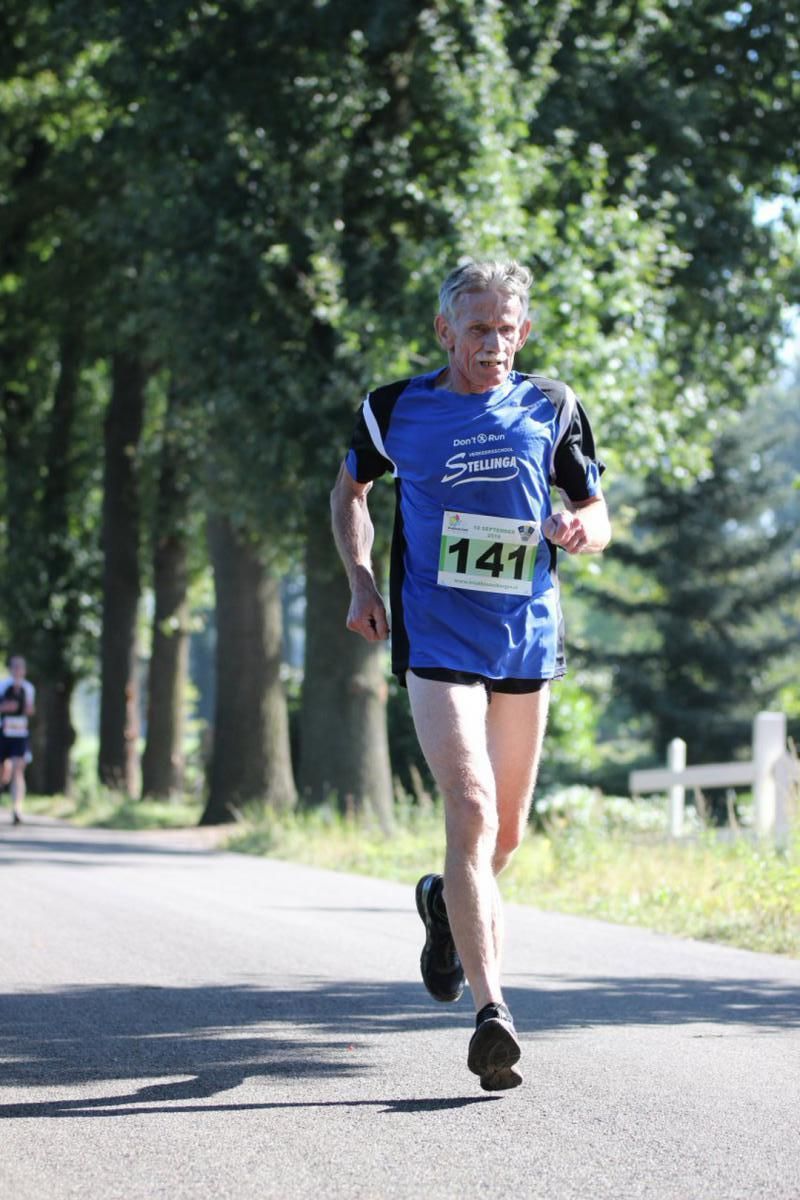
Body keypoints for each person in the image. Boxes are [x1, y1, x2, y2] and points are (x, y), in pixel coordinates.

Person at [331, 260, 610, 1091]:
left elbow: (597, 509)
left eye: (508, 329)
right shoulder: (393, 409)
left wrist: (579, 529)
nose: (494, 344)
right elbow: (349, 491)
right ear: (445, 332)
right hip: (438, 637)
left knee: (505, 838)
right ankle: (493, 1012)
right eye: (478, 329)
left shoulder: (551, 406)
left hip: (524, 638)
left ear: (524, 332)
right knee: (473, 806)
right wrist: (362, 581)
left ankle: (445, 914)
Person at [0, 654, 36, 826]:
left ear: (24, 670)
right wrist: (6, 707)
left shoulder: (28, 688)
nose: (17, 670)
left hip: (20, 733)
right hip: (3, 732)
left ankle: (17, 808)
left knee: (17, 770)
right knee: (3, 772)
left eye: (20, 667)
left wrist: (26, 709)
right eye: (14, 667)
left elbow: (30, 711)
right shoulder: (2, 685)